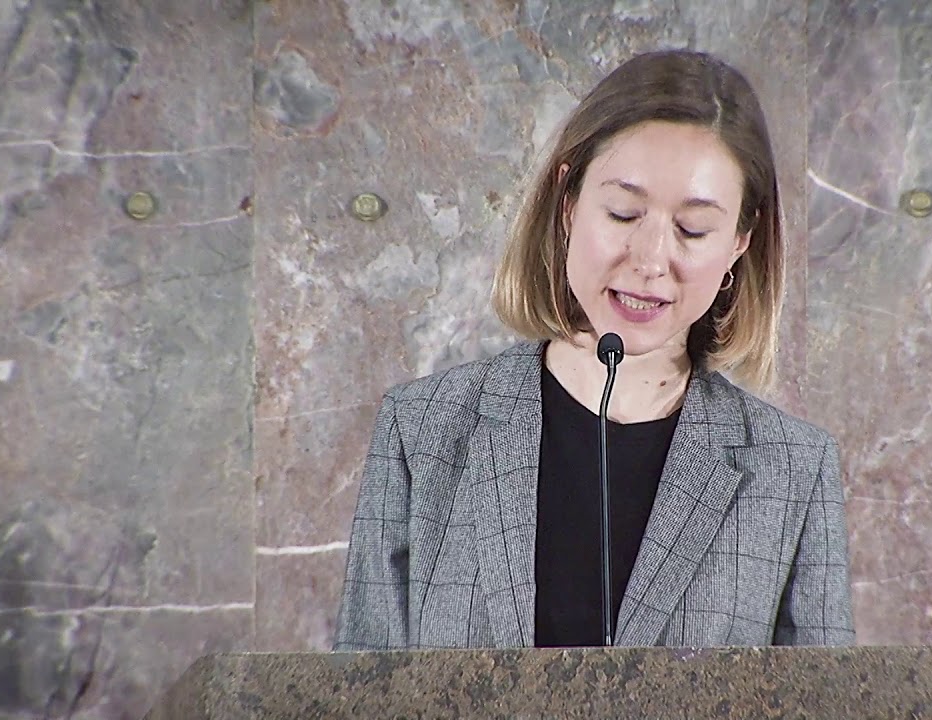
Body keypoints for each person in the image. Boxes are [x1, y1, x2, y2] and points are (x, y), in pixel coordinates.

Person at [333, 49, 854, 650]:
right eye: (623, 213)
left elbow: (824, 693)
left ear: (740, 240)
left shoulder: (795, 469)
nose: (650, 260)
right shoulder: (421, 429)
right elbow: (363, 686)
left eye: (692, 229)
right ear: (568, 201)